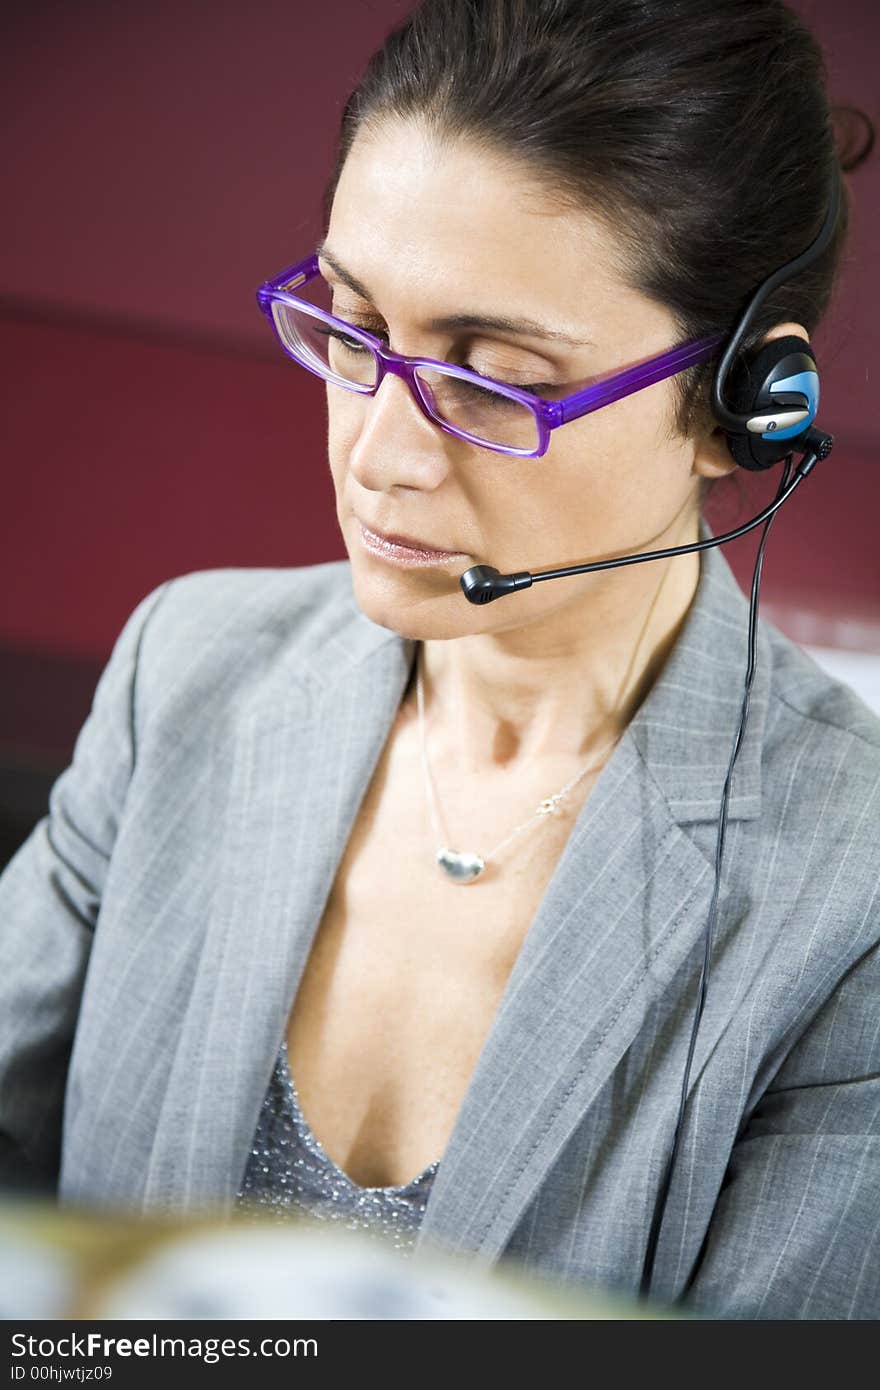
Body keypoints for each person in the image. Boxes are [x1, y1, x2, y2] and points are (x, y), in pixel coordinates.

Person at [1, 0, 877, 1319]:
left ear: (746, 405)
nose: (380, 452)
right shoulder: (189, 671)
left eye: (494, 380)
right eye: (352, 330)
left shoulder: (851, 892)